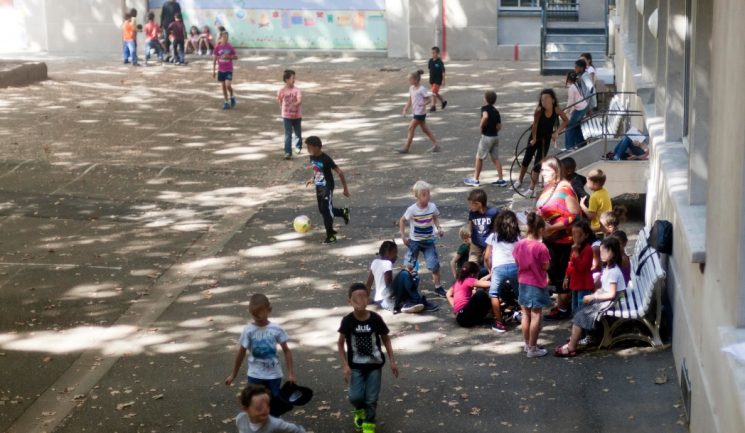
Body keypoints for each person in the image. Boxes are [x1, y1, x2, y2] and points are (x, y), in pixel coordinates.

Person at [337, 283, 399, 433]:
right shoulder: (348, 321)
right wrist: (345, 365)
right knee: (355, 397)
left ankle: (368, 424)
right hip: (356, 366)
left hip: (374, 365)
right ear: (349, 301)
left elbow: (386, 338)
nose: (360, 301)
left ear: (368, 300)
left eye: (363, 297)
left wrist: (392, 361)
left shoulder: (375, 319)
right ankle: (359, 411)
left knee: (371, 399)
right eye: (356, 298)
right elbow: (340, 343)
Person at [555, 237, 626, 357]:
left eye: (605, 252)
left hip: (611, 301)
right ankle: (577, 338)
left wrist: (593, 297)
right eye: (601, 251)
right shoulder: (608, 267)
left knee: (582, 314)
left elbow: (612, 294)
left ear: (613, 253)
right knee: (580, 310)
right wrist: (595, 293)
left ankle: (572, 346)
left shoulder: (614, 271)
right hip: (606, 297)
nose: (602, 254)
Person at [225, 294, 296, 398]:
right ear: (250, 312)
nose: (258, 319)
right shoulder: (248, 330)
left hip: (274, 375)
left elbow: (286, 350)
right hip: (255, 375)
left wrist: (291, 373)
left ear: (269, 310)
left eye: (261, 315)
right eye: (255, 315)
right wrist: (233, 375)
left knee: (275, 403)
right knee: (255, 401)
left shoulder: (276, 329)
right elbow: (241, 352)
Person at [536, 157, 581, 321]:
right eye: (541, 170)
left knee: (562, 275)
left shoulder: (566, 189)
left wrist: (553, 228)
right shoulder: (550, 186)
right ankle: (561, 305)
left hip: (564, 242)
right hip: (551, 239)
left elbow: (575, 218)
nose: (542, 174)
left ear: (555, 171)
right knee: (554, 272)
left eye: (545, 170)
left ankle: (563, 309)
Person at [514, 89, 568, 197]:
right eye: (542, 99)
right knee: (526, 160)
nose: (544, 101)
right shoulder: (539, 111)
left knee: (538, 164)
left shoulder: (556, 110)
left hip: (545, 140)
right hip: (535, 138)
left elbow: (566, 120)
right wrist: (534, 139)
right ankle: (519, 180)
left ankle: (531, 188)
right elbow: (534, 126)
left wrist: (557, 132)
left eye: (546, 99)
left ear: (552, 100)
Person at [513, 212, 552, 358]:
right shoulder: (541, 248)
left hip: (522, 282)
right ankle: (533, 348)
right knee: (536, 316)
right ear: (540, 230)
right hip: (536, 283)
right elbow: (546, 266)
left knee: (525, 314)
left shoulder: (519, 244)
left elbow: (517, 262)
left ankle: (526, 343)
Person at [365, 240, 438, 314]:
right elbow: (389, 287)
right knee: (404, 274)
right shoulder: (387, 263)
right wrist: (405, 275)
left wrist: (366, 298)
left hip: (380, 301)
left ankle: (408, 303)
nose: (396, 256)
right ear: (388, 253)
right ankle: (417, 301)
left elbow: (368, 284)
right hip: (388, 301)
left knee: (413, 277)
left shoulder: (375, 262)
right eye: (395, 253)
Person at [399, 180, 445, 297]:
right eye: (424, 194)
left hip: (429, 241)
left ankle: (438, 287)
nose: (427, 196)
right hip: (415, 241)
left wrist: (438, 228)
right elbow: (402, 220)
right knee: (409, 264)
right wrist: (403, 236)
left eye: (428, 193)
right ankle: (406, 287)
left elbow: (435, 217)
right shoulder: (412, 209)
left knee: (434, 265)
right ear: (417, 196)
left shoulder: (432, 207)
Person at [304, 136, 350, 244]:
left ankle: (331, 235)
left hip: (327, 187)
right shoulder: (312, 157)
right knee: (322, 210)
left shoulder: (326, 159)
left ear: (317, 147)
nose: (308, 149)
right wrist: (312, 179)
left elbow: (340, 172)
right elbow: (317, 170)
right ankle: (343, 212)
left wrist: (345, 189)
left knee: (326, 211)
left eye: (309, 147)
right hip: (319, 187)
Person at [483, 210, 521, 332]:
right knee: (520, 293)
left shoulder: (493, 236)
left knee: (494, 293)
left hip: (499, 267)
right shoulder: (517, 237)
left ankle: (499, 322)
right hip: (514, 266)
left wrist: (490, 269)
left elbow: (487, 256)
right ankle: (525, 316)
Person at [464, 90, 506, 187]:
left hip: (487, 137)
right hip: (495, 137)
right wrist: (494, 130)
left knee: (479, 157)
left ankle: (475, 179)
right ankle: (501, 179)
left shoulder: (484, 108)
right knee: (496, 158)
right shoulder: (496, 111)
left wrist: (481, 125)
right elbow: (499, 126)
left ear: (485, 99)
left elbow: (485, 116)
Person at [398, 70, 439, 153]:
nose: (409, 81)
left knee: (410, 128)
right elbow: (410, 100)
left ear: (416, 80)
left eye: (410, 80)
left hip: (420, 113)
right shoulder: (411, 88)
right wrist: (405, 109)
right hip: (415, 112)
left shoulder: (422, 89)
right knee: (425, 130)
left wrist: (423, 104)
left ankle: (406, 148)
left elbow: (428, 99)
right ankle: (436, 145)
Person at [236, 385, 306, 433]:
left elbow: (298, 430)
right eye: (259, 407)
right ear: (245, 409)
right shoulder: (240, 419)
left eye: (267, 405)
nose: (264, 410)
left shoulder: (275, 424)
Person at [446, 262, 493, 328]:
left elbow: (448, 294)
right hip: (465, 318)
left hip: (460, 317)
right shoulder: (469, 280)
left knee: (477, 294)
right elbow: (488, 284)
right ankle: (496, 313)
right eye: (477, 274)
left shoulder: (458, 282)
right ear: (473, 274)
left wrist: (456, 307)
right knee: (480, 294)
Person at [564, 220, 596, 316]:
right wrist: (566, 277)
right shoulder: (574, 248)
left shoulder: (588, 249)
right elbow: (570, 264)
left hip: (584, 283)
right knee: (574, 307)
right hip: (575, 282)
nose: (576, 238)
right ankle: (576, 326)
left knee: (582, 307)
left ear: (586, 235)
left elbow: (582, 267)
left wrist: (576, 253)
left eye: (579, 235)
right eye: (574, 235)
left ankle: (581, 328)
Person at [277, 70, 303, 159]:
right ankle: (287, 152)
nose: (294, 80)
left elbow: (299, 100)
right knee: (288, 134)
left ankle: (298, 147)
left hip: (297, 116)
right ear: (286, 80)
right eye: (292, 78)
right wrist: (282, 107)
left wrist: (295, 104)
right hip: (286, 116)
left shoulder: (297, 90)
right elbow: (279, 99)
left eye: (294, 78)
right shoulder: (282, 90)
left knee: (298, 133)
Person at [580, 169, 612, 233]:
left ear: (595, 183)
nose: (586, 183)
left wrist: (582, 205)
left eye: (588, 181)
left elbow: (591, 216)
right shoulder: (604, 191)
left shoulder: (594, 197)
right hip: (607, 225)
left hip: (598, 229)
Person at [564, 70, 588, 151]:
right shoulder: (576, 84)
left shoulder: (571, 88)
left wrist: (565, 113)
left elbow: (571, 103)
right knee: (576, 125)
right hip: (583, 107)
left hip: (580, 109)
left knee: (569, 126)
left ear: (568, 79)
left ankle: (569, 147)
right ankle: (581, 143)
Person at [213, 31, 237, 110]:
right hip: (221, 69)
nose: (225, 39)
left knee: (228, 85)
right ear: (220, 38)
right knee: (223, 86)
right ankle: (226, 102)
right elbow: (215, 58)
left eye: (226, 37)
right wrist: (213, 70)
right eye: (223, 37)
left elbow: (236, 57)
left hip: (228, 69)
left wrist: (229, 57)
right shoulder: (217, 47)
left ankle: (232, 96)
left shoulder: (230, 47)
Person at [427, 46, 447, 111]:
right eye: (432, 53)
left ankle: (433, 106)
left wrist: (443, 80)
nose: (433, 54)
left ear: (438, 53)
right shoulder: (430, 61)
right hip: (432, 80)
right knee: (435, 93)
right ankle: (443, 101)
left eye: (434, 53)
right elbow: (430, 70)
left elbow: (443, 71)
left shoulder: (439, 62)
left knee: (433, 92)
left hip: (438, 80)